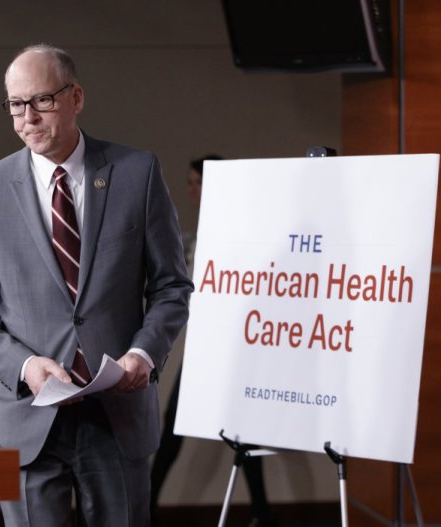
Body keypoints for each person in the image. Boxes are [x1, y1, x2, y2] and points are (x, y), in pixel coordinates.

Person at [0, 44, 193, 526]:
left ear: (76, 97)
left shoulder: (137, 173)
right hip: (28, 414)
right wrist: (25, 365)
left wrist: (143, 354)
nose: (27, 117)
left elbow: (170, 286)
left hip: (117, 412)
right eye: (15, 104)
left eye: (41, 100)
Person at [149, 156, 275, 527]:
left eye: (197, 182)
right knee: (175, 424)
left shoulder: (245, 234)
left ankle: (262, 512)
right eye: (189, 182)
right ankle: (147, 504)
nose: (191, 190)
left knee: (244, 432)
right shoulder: (194, 236)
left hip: (239, 347)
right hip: (206, 347)